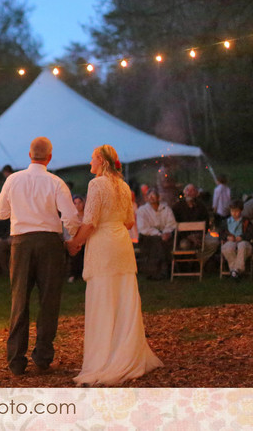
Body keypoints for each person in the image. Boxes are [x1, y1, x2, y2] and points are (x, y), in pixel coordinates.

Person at [67, 145, 162, 386]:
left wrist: (74, 243)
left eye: (92, 158)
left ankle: (106, 358)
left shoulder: (96, 185)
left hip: (104, 247)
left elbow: (89, 222)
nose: (90, 162)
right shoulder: (124, 186)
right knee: (124, 299)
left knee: (104, 299)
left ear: (100, 160)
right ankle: (128, 352)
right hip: (121, 244)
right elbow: (130, 222)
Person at [0, 137, 81, 375]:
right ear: (50, 157)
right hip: (50, 244)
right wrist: (71, 239)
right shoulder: (56, 182)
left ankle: (16, 360)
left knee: (19, 300)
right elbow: (71, 217)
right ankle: (42, 356)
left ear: (29, 155)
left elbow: (1, 212)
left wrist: (22, 209)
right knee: (48, 300)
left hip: (21, 243)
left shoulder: (13, 180)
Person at [135, 188, 177, 280]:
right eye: (149, 196)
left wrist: (166, 232)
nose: (151, 198)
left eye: (153, 195)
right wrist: (158, 234)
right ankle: (158, 271)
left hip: (165, 235)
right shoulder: (142, 210)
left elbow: (171, 223)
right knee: (157, 244)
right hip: (148, 237)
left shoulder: (166, 209)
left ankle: (164, 270)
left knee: (166, 242)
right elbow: (143, 228)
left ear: (158, 197)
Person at [172, 184, 219, 267]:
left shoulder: (201, 207)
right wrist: (189, 237)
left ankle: (198, 261)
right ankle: (186, 265)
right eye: (187, 190)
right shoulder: (177, 207)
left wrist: (199, 235)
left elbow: (206, 223)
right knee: (184, 245)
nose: (189, 193)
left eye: (192, 190)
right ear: (184, 193)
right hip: (184, 237)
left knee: (214, 243)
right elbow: (174, 225)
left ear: (196, 193)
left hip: (199, 236)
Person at [220, 200, 253, 279]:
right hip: (230, 241)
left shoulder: (246, 221)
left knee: (242, 246)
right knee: (228, 248)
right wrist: (227, 237)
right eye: (232, 211)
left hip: (243, 241)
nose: (234, 213)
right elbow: (221, 234)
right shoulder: (226, 222)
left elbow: (251, 233)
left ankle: (236, 270)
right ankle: (235, 271)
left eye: (237, 211)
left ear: (241, 211)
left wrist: (242, 237)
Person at [67, 195, 86, 283]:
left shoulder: (87, 216)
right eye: (75, 203)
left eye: (79, 203)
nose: (78, 205)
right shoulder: (73, 217)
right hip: (75, 240)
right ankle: (73, 274)